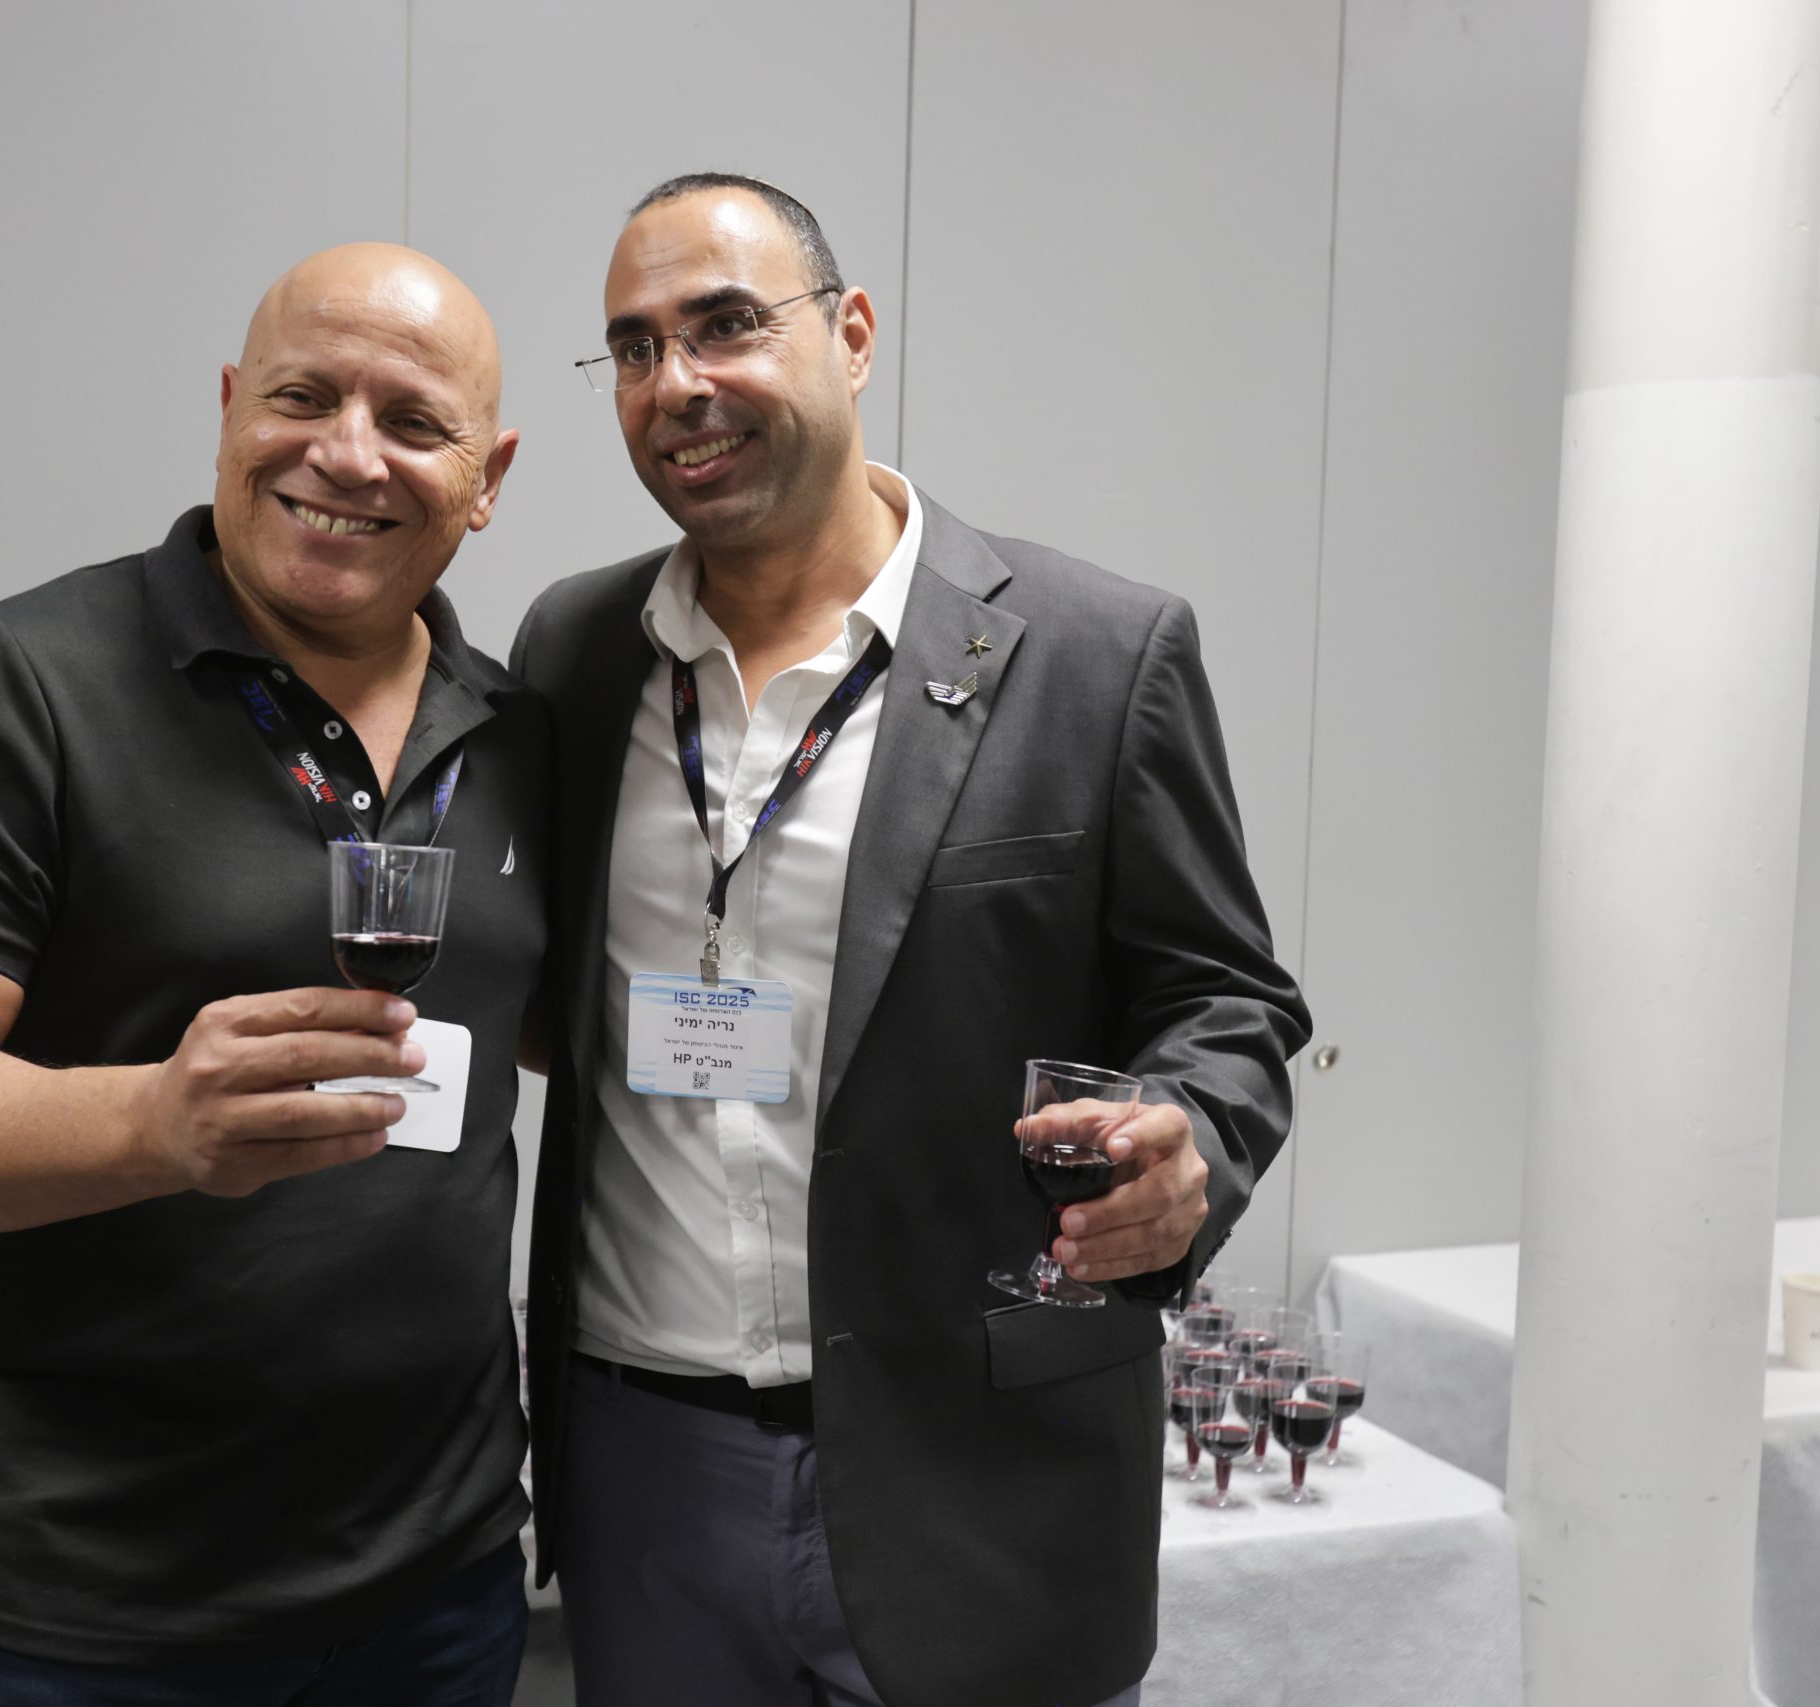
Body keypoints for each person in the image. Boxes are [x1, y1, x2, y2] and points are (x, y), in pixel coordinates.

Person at [511, 174, 1313, 1707]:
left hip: (981, 1469)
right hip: (647, 1464)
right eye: (634, 348)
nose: (676, 383)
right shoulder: (575, 648)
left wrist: (1192, 1140)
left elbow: (1227, 997)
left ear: (854, 333)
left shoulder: (1095, 653)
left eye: (725, 325)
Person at [0, 243, 546, 1705]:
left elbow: (562, 1028)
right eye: (303, 397)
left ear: (487, 478)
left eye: (412, 421)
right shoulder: (25, 686)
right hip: (87, 1616)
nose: (349, 455)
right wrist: (153, 1122)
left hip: (442, 1600)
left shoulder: (518, 730)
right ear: (227, 408)